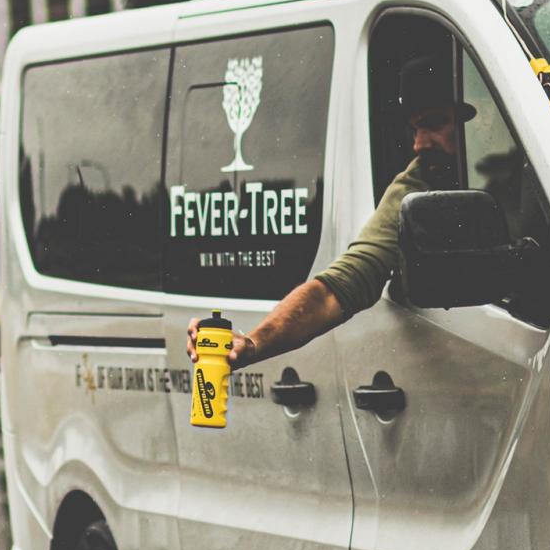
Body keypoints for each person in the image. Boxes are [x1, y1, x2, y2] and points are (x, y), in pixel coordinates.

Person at [186, 53, 474, 366]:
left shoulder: (527, 158)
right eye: (415, 129)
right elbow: (336, 289)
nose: (419, 144)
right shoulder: (418, 182)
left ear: (480, 116)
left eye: (434, 124)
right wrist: (254, 342)